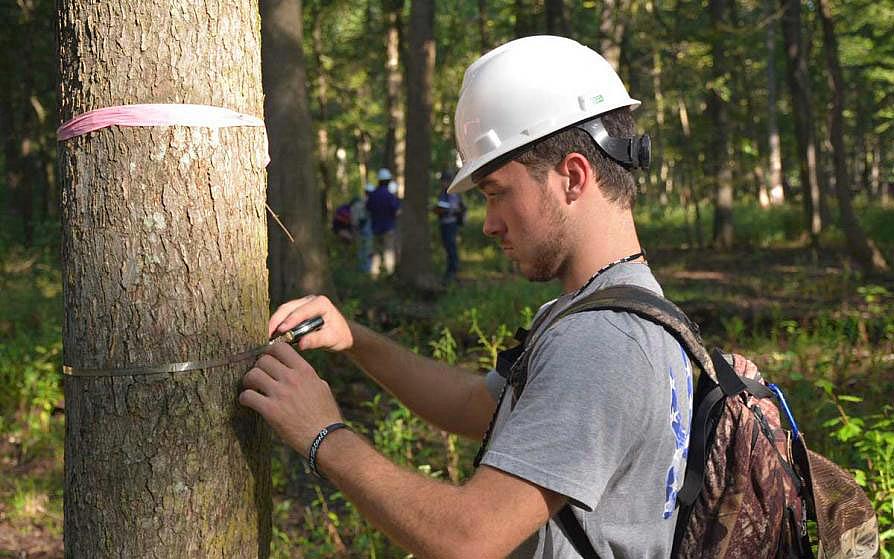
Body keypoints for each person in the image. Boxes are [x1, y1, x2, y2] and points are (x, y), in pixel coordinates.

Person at [240, 36, 748, 558]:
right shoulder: (624, 312)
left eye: (496, 192)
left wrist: (323, 435)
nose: (488, 224)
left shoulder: (603, 340)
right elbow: (474, 405)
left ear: (572, 176)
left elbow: (470, 537)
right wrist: (357, 340)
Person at [366, 167, 401, 278]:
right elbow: (395, 210)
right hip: (388, 228)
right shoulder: (390, 196)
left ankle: (374, 274)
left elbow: (368, 208)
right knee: (389, 251)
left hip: (375, 228)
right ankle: (389, 274)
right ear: (388, 181)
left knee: (376, 252)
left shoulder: (373, 195)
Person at [433, 170, 465, 283]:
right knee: (447, 247)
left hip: (451, 224)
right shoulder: (442, 193)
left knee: (451, 247)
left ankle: (453, 271)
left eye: (445, 181)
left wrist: (446, 210)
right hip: (443, 224)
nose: (443, 183)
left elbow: (456, 208)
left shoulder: (453, 193)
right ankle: (450, 270)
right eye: (442, 181)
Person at [352, 184, 375, 272]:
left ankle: (363, 268)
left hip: (359, 229)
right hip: (366, 229)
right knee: (367, 250)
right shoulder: (370, 203)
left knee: (361, 250)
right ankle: (366, 269)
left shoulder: (358, 203)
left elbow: (354, 219)